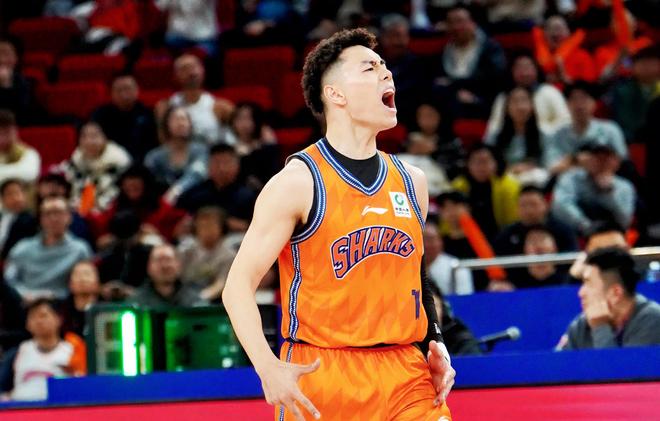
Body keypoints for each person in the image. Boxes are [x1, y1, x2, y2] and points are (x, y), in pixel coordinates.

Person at [222, 29, 454, 421]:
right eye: (370, 67)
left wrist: (435, 339)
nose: (386, 73)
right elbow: (237, 287)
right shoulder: (298, 182)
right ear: (336, 94)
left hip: (406, 374)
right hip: (323, 373)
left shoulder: (412, 181)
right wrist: (267, 366)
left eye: (385, 66)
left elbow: (416, 274)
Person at [558, 247, 660, 350]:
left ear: (616, 293)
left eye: (589, 283)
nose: (581, 293)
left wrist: (600, 327)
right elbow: (559, 359)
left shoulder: (653, 320)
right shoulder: (581, 325)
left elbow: (622, 361)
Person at [4, 196, 92, 301]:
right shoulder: (22, 248)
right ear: (41, 219)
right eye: (48, 214)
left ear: (69, 217)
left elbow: (88, 282)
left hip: (64, 305)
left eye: (58, 213)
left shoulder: (80, 250)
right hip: (24, 302)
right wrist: (25, 294)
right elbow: (8, 281)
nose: (53, 218)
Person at [432, 5, 507, 119]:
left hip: (482, 99)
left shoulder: (491, 48)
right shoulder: (442, 51)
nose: (455, 27)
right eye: (450, 22)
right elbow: (439, 81)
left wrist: (457, 85)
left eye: (460, 21)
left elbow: (493, 78)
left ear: (472, 23)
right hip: (451, 101)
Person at [0, 298, 81, 401]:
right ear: (27, 324)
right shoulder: (18, 352)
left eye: (43, 316)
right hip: (21, 407)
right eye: (33, 317)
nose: (39, 321)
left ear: (59, 319)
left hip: (58, 407)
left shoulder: (72, 350)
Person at [551, 142, 636, 235]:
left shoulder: (625, 187)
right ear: (588, 160)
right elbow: (560, 205)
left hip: (610, 233)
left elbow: (624, 221)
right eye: (597, 158)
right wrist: (585, 224)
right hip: (576, 231)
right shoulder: (570, 177)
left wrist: (608, 193)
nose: (601, 163)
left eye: (606, 159)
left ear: (616, 163)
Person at [546, 81, 628, 175]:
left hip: (606, 178)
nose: (579, 105)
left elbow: (622, 161)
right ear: (567, 105)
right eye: (574, 99)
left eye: (584, 99)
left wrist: (597, 162)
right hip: (569, 181)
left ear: (594, 103)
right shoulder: (557, 134)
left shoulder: (610, 130)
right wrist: (575, 160)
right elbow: (551, 167)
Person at [485, 53, 571, 138]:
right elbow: (494, 127)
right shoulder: (504, 97)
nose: (524, 73)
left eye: (528, 67)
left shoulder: (550, 92)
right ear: (512, 71)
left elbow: (566, 122)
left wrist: (541, 133)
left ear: (536, 69)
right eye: (519, 68)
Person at [176, 144, 256, 232]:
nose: (222, 168)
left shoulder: (248, 196)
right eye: (217, 163)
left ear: (237, 166)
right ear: (208, 166)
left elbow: (256, 227)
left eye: (226, 163)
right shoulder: (193, 194)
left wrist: (230, 224)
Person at [157, 54, 234, 146]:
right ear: (175, 75)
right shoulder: (166, 107)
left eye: (194, 67)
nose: (191, 73)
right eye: (185, 68)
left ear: (203, 71)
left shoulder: (221, 107)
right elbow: (164, 142)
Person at [58, 121, 132, 213]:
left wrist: (88, 208)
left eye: (94, 136)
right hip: (80, 209)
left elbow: (113, 195)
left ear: (106, 138)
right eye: (84, 137)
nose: (89, 141)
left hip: (111, 211)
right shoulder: (76, 159)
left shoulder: (119, 162)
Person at [485, 86, 553, 186]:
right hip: (505, 182)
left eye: (524, 101)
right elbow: (488, 165)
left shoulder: (544, 135)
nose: (520, 107)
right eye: (515, 101)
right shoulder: (494, 136)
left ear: (532, 106)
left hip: (534, 183)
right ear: (507, 107)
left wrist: (530, 167)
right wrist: (512, 169)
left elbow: (549, 165)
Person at [452, 144, 520, 239]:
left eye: (485, 162)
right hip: (466, 237)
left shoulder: (509, 186)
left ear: (496, 163)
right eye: (475, 162)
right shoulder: (459, 186)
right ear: (467, 164)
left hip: (501, 236)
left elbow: (513, 220)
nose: (480, 167)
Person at [144, 105, 208, 203]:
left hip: (195, 201)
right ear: (167, 124)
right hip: (162, 201)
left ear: (190, 124)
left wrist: (176, 190)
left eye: (184, 119)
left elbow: (196, 174)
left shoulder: (201, 150)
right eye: (176, 119)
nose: (181, 123)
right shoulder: (154, 156)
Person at [92, 74, 158, 163]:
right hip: (110, 162)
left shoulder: (149, 114)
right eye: (119, 90)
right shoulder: (100, 115)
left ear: (137, 90)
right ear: (111, 93)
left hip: (143, 162)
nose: (124, 95)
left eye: (127, 89)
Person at [494, 185, 578, 256]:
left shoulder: (563, 231)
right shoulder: (507, 235)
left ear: (546, 205)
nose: (529, 211)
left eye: (533, 204)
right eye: (523, 205)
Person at [177, 206, 237, 301]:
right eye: (202, 226)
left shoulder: (229, 255)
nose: (206, 230)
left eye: (211, 225)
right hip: (183, 294)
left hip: (213, 300)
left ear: (221, 228)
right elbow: (178, 277)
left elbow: (221, 283)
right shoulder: (186, 251)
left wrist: (199, 298)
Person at [605, 45, 660, 143]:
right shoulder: (623, 90)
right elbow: (627, 123)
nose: (647, 67)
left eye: (653, 63)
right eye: (643, 63)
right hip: (633, 140)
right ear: (633, 66)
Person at [130, 243, 206, 308]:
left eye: (168, 259)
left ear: (179, 265)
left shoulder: (195, 302)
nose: (164, 266)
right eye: (159, 260)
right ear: (149, 267)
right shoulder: (136, 304)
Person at [226, 102, 281, 190]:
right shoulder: (228, 145)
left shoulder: (267, 147)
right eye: (240, 118)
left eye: (248, 118)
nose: (244, 124)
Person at [407, 102, 464, 180]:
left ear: (439, 116)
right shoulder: (410, 139)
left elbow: (458, 168)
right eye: (421, 116)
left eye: (429, 115)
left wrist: (434, 151)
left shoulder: (451, 141)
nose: (426, 120)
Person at [534, 15, 596, 85]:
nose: (555, 32)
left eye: (559, 29)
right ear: (544, 33)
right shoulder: (535, 58)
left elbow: (590, 85)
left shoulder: (583, 56)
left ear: (569, 32)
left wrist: (563, 77)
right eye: (550, 28)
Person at [430, 285, 481, 356]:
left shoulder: (460, 339)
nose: (429, 312)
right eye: (422, 307)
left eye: (433, 305)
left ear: (444, 309)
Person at [155, 0, 220, 56]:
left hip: (204, 36)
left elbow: (191, 7)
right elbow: (160, 6)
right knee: (169, 41)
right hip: (178, 35)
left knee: (205, 53)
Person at [423, 224, 474, 295]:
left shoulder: (457, 267)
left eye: (430, 240)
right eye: (422, 240)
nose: (425, 245)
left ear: (440, 241)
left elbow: (465, 297)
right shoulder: (408, 267)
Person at [60, 261, 101, 338]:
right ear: (70, 284)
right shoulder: (61, 313)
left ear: (97, 283)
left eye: (87, 274)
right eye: (77, 275)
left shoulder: (106, 310)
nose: (82, 279)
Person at [0, 109, 40, 185]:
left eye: (6, 132)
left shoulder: (29, 153)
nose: (2, 138)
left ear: (15, 131)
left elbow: (29, 174)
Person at [0, 39, 36, 124]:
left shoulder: (26, 82)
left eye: (6, 54)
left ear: (16, 58)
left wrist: (6, 85)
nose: (2, 59)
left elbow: (23, 113)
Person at [0, 179, 37, 261]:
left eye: (18, 193)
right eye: (10, 194)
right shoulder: (2, 217)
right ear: (2, 199)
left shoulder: (31, 220)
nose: (16, 198)